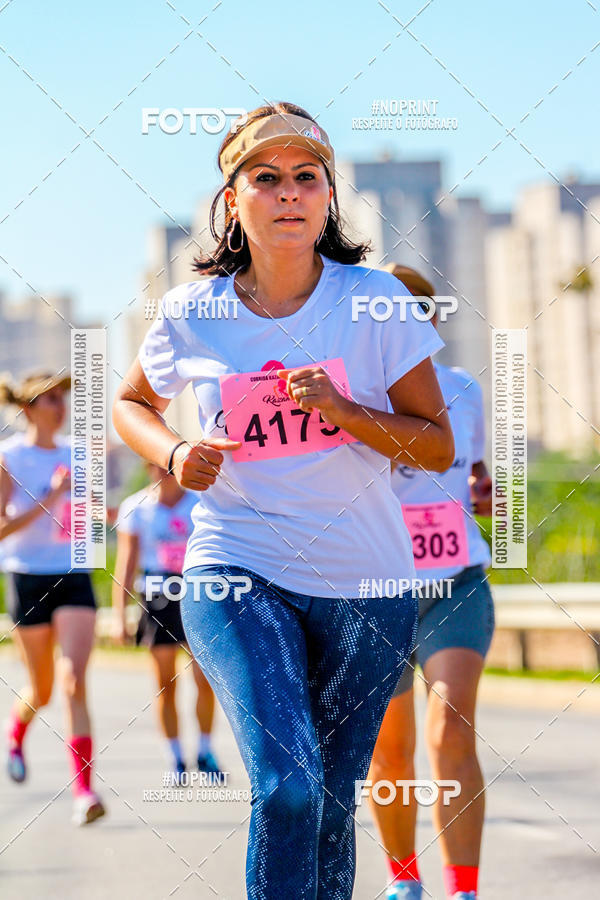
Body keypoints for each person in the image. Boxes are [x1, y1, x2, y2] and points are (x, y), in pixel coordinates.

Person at [112, 102, 454, 900]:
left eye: (307, 178)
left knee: (330, 806)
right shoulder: (193, 311)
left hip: (367, 584)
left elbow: (434, 442)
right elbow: (130, 404)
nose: (289, 193)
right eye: (267, 178)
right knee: (288, 786)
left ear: (330, 196)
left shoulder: (374, 301)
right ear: (234, 200)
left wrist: (344, 411)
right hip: (237, 566)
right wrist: (173, 451)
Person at [368, 264, 494, 900]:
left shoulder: (463, 387)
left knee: (450, 728)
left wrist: (487, 492)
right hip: (372, 592)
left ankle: (464, 889)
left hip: (456, 579)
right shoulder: (347, 394)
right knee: (390, 752)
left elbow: (477, 473)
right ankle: (403, 879)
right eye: (386, 308)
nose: (405, 317)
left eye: (417, 306)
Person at [0, 372, 106, 826]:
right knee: (42, 689)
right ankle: (16, 731)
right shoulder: (8, 458)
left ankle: (84, 793)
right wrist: (51, 497)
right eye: (49, 400)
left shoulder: (78, 455)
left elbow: (92, 517)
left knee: (74, 681)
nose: (60, 407)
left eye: (63, 398)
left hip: (73, 573)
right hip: (26, 577)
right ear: (27, 409)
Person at [112, 462, 222, 781]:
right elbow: (126, 565)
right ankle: (174, 757)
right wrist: (120, 615)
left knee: (205, 679)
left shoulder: (200, 503)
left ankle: (204, 749)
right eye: (155, 465)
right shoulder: (136, 507)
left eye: (169, 466)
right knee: (165, 684)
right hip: (156, 597)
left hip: (196, 593)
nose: (162, 472)